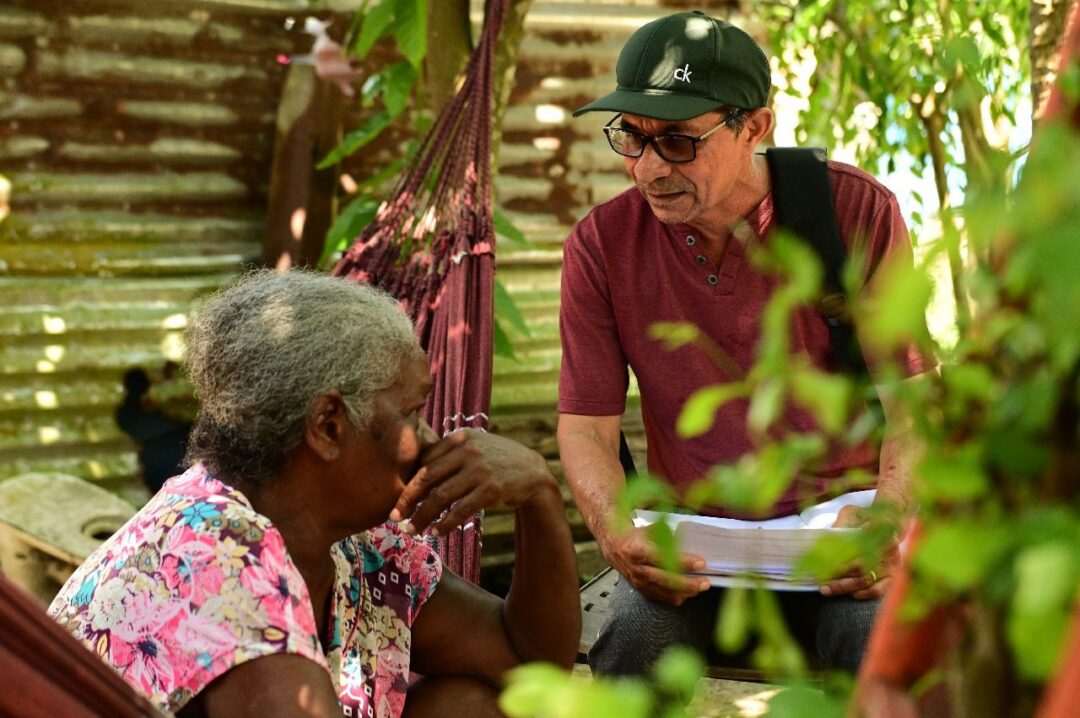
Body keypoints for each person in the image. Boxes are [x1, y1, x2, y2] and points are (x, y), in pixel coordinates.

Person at [557, 11, 933, 677]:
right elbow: (587, 427)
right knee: (628, 649)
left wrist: (889, 515)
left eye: (676, 142)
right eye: (631, 139)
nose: (646, 170)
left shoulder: (852, 213)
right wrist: (615, 533)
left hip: (837, 540)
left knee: (890, 650)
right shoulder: (602, 244)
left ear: (755, 127)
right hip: (697, 551)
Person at [49, 270, 580, 718]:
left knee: (469, 705)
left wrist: (538, 494)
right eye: (413, 415)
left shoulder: (357, 546)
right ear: (328, 426)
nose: (432, 440)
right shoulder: (215, 557)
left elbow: (528, 666)